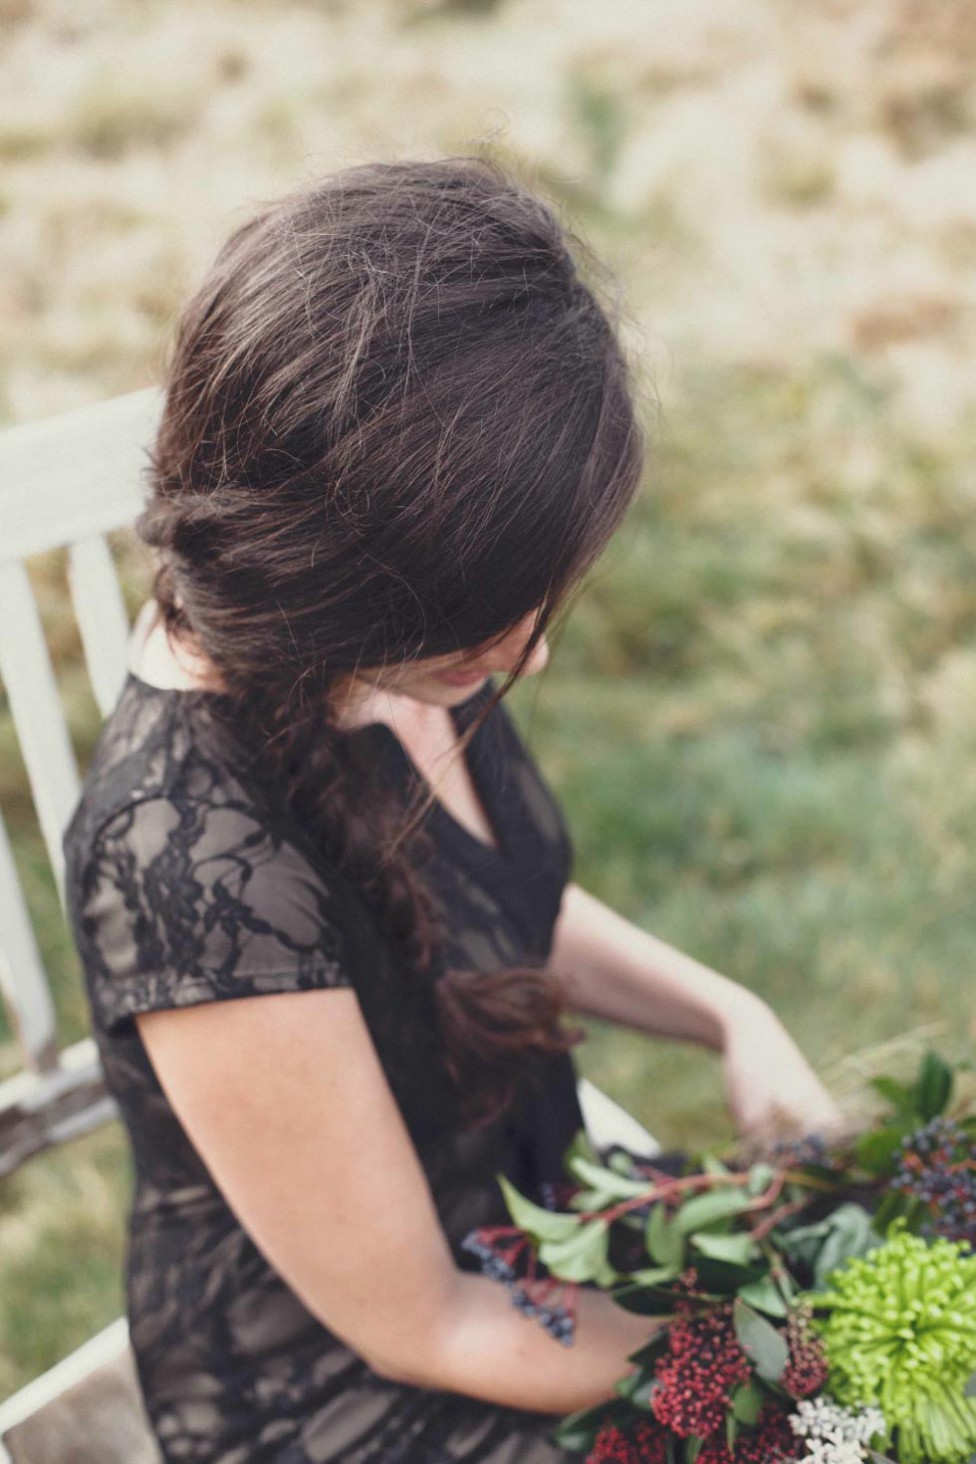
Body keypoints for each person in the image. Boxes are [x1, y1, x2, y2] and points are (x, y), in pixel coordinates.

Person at [62, 155, 841, 1464]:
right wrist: (789, 1342)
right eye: (484, 636)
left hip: (520, 1212)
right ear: (345, 581)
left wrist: (730, 1014)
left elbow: (475, 901)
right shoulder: (183, 860)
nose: (528, 661)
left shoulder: (382, 641)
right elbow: (426, 1324)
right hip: (361, 1373)